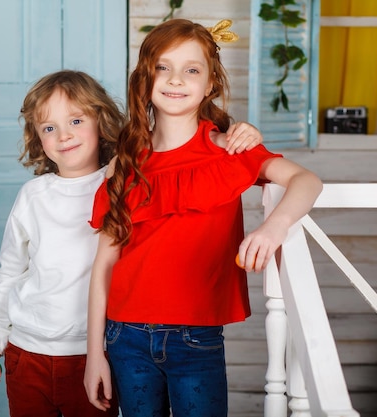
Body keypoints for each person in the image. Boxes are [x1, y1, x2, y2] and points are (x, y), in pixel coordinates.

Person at [0, 70, 264, 417]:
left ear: (101, 121)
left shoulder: (125, 177)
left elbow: (182, 146)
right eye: (49, 128)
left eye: (76, 120)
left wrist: (241, 133)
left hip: (97, 351)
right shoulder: (32, 196)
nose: (64, 136)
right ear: (38, 137)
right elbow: (9, 273)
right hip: (26, 353)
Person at [83, 19, 323, 417]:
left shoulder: (230, 149)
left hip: (195, 339)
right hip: (124, 337)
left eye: (191, 69)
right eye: (163, 67)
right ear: (145, 78)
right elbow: (103, 264)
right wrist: (95, 354)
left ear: (210, 83)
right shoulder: (124, 164)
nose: (176, 79)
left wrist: (272, 228)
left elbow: (306, 180)